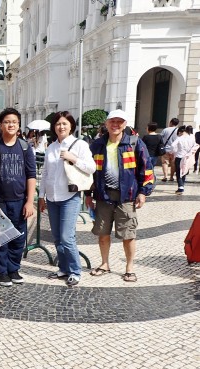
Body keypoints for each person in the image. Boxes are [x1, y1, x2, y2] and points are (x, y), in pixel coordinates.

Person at [85, 109, 155, 283]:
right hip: (103, 196)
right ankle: (104, 264)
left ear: (125, 124)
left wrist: (143, 192)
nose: (115, 125)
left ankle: (129, 268)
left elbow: (146, 169)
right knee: (103, 233)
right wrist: (88, 193)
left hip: (127, 196)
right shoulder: (98, 144)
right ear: (106, 124)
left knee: (128, 234)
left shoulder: (134, 143)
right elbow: (88, 172)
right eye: (112, 121)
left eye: (119, 121)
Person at [38, 111, 95, 286]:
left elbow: (91, 168)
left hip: (70, 196)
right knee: (56, 236)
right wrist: (41, 196)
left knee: (66, 236)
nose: (61, 127)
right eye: (58, 124)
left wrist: (73, 159)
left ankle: (75, 270)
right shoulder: (51, 147)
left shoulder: (80, 145)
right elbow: (46, 173)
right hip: (53, 198)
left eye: (64, 123)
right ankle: (63, 268)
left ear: (71, 126)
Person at [0, 108, 36, 288]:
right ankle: (2, 272)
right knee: (1, 238)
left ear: (18, 125)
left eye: (14, 122)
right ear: (1, 125)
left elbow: (31, 174)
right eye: (7, 122)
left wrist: (29, 201)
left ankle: (14, 269)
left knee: (18, 237)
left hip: (19, 201)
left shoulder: (25, 147)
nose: (11, 125)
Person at [171, 125, 197, 195]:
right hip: (187, 157)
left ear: (180, 132)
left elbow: (173, 145)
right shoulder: (191, 138)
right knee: (184, 171)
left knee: (179, 172)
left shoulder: (180, 138)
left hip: (179, 156)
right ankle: (182, 185)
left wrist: (175, 152)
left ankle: (180, 187)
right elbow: (195, 146)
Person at [160, 117, 179, 182]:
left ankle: (165, 176)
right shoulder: (178, 130)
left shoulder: (165, 130)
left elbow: (160, 138)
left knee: (165, 163)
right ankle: (171, 177)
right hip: (175, 150)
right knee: (173, 163)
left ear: (171, 122)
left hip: (165, 149)